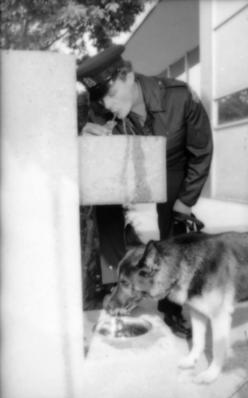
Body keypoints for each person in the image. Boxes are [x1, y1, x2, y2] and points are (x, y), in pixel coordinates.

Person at [77, 45, 213, 337]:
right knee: (106, 207)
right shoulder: (100, 108)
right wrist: (86, 140)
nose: (108, 106)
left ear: (127, 76)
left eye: (111, 95)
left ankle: (171, 306)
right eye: (101, 99)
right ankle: (120, 286)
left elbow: (201, 152)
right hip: (127, 163)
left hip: (171, 164)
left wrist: (185, 204)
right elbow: (98, 166)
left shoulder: (179, 96)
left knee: (175, 229)